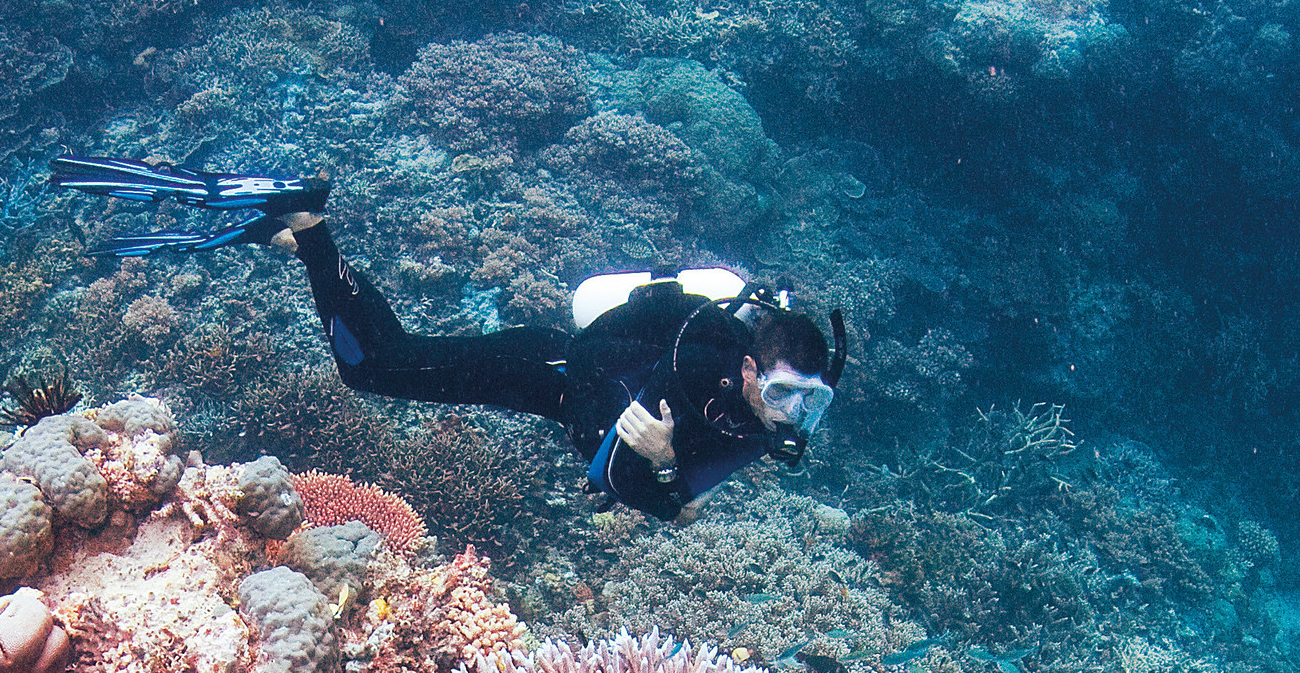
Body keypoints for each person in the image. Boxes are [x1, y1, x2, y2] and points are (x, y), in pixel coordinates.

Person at [46, 155, 843, 522]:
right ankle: (310, 221)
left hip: (556, 385)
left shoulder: (759, 423)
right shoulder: (695, 363)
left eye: (808, 405)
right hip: (553, 364)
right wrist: (641, 445)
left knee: (390, 361)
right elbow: (619, 470)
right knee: (378, 368)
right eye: (781, 394)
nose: (791, 417)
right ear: (747, 368)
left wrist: (666, 472)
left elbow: (668, 497)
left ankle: (296, 242)